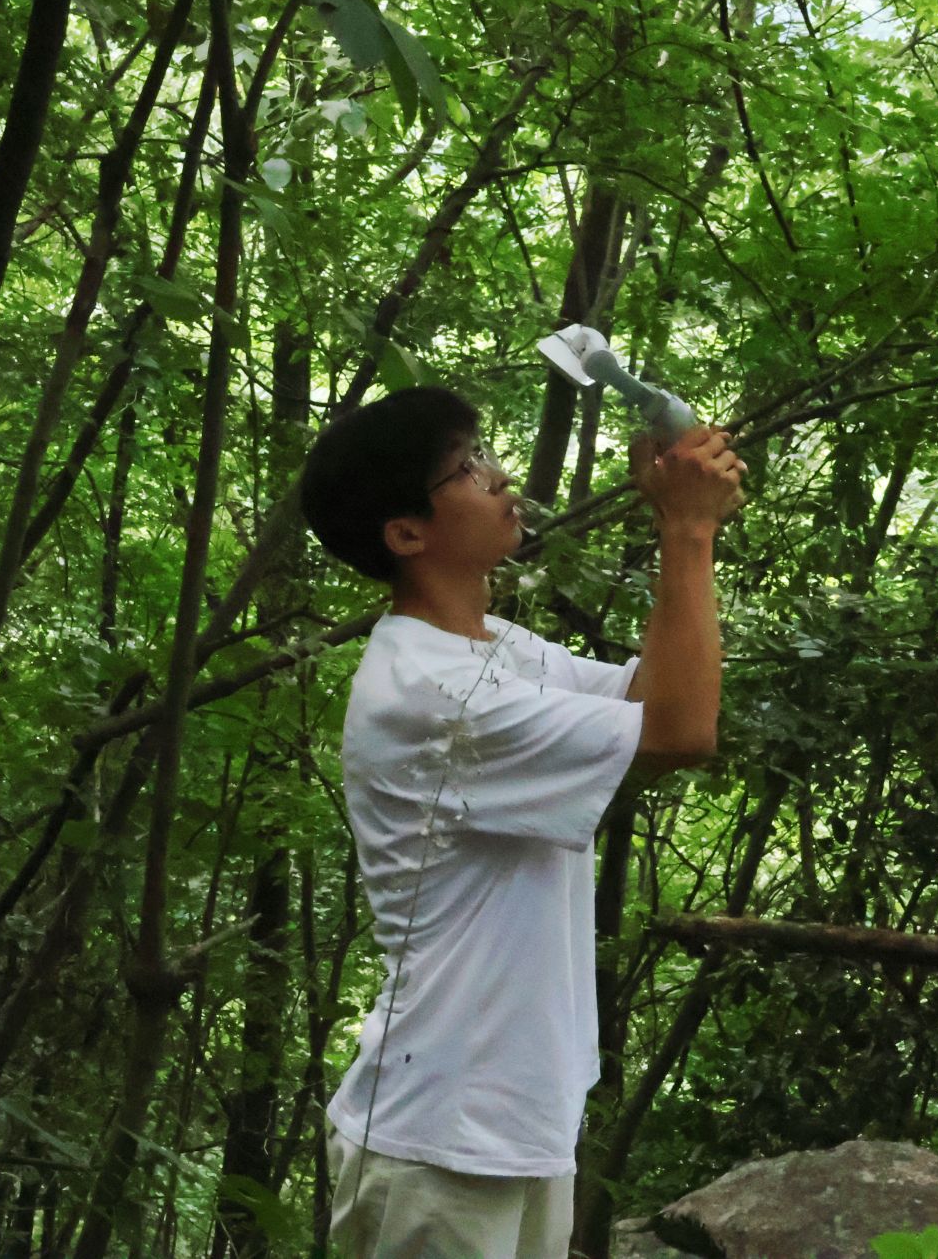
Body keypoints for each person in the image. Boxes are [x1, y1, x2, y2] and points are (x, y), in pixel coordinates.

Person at [299, 383, 745, 1259]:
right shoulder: (431, 693)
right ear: (407, 534)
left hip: (511, 1121)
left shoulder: (494, 650)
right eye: (466, 468)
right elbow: (679, 731)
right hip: (439, 1142)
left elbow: (658, 694)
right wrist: (687, 529)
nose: (500, 476)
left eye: (485, 453)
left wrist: (682, 519)